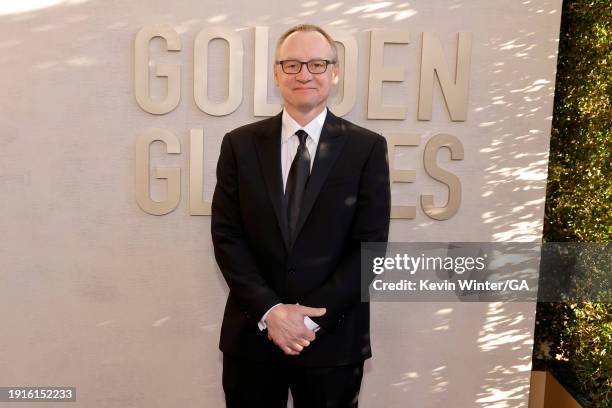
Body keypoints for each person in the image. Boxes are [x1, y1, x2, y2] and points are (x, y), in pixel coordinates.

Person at [211, 23, 391, 408]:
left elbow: (370, 248)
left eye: (317, 64)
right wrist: (271, 312)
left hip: (334, 343)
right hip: (254, 338)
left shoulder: (367, 149)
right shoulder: (239, 145)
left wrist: (306, 321)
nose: (304, 74)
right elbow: (227, 237)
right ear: (277, 73)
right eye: (292, 64)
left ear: (335, 72)